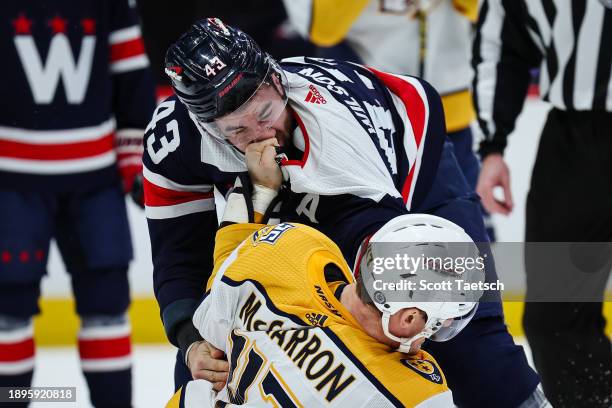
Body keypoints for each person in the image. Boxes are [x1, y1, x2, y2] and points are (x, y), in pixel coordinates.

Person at [144, 18, 543, 407]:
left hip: (413, 177)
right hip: (300, 209)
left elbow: (379, 305)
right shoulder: (174, 141)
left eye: (265, 114)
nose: (261, 135)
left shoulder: (339, 142)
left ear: (277, 81)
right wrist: (191, 341)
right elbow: (180, 259)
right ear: (206, 126)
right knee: (211, 365)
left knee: (469, 346)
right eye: (237, 131)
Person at [165, 139, 484, 407]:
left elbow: (210, 315)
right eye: (437, 326)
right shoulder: (412, 393)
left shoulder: (291, 245)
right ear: (407, 320)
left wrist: (259, 195)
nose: (430, 338)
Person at [0, 1, 155, 407]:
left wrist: (135, 159)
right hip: (18, 183)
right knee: (8, 312)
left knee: (106, 308)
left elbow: (130, 75)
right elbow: (132, 78)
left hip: (88, 183)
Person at [472, 1, 612, 406]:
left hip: (576, 146)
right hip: (574, 150)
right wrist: (493, 146)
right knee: (554, 318)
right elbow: (503, 41)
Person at [282, 0, 496, 240]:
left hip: (448, 115)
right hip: (370, 123)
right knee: (383, 245)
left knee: (469, 242)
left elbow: (494, 13)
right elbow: (320, 28)